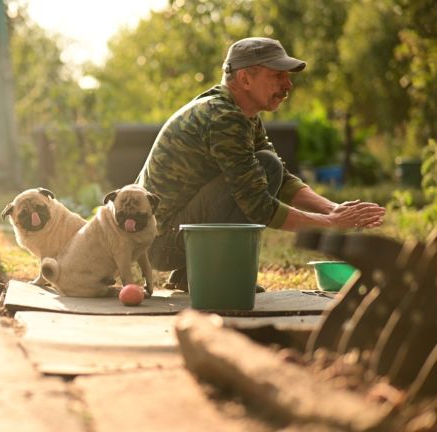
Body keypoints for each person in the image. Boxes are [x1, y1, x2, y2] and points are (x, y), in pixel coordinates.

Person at [135, 37, 386, 290]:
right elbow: (258, 205)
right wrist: (330, 224)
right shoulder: (224, 117)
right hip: (159, 242)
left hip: (165, 237)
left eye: (287, 77)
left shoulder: (242, 113)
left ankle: (190, 275)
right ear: (244, 79)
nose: (288, 85)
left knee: (270, 165)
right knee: (266, 166)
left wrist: (332, 209)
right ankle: (213, 275)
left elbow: (282, 178)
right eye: (278, 76)